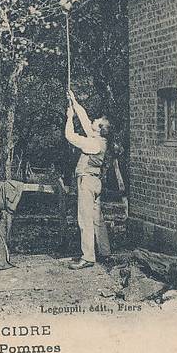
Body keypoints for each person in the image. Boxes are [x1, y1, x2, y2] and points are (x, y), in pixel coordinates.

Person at [65, 90, 112, 269]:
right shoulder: (100, 140)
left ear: (99, 129)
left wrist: (69, 118)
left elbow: (70, 136)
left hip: (87, 182)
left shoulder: (92, 143)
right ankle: (105, 252)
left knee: (84, 219)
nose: (93, 121)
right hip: (96, 182)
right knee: (96, 219)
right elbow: (85, 120)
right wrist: (74, 102)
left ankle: (88, 257)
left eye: (97, 122)